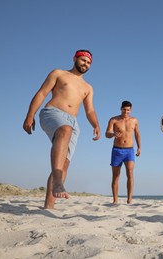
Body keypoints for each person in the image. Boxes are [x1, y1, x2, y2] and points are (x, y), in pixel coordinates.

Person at [23, 49, 101, 209]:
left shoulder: (88, 87)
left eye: (88, 62)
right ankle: (58, 181)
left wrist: (96, 125)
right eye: (83, 60)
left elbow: (90, 110)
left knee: (64, 164)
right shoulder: (58, 73)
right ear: (75, 59)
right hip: (52, 112)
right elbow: (42, 93)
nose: (85, 64)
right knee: (64, 130)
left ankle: (49, 206)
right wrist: (30, 115)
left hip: (74, 122)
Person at [106, 101, 141, 204]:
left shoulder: (134, 120)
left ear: (131, 110)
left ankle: (129, 199)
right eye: (124, 109)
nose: (126, 112)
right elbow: (107, 133)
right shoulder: (114, 120)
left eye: (128, 110)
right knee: (116, 176)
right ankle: (115, 200)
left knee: (130, 173)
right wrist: (112, 134)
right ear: (121, 108)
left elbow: (137, 134)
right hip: (117, 150)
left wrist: (139, 147)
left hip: (129, 150)